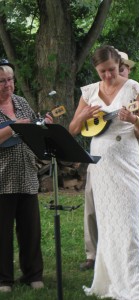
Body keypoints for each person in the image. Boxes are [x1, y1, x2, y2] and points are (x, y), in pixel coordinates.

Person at [69, 45, 139, 300]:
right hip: (100, 164)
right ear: (96, 69)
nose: (108, 75)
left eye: (112, 70)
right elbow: (72, 129)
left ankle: (135, 286)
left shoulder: (133, 87)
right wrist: (83, 114)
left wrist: (134, 120)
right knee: (106, 226)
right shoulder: (89, 92)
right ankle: (109, 282)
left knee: (127, 227)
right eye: (102, 71)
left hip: (126, 162)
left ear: (119, 65)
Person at [0, 59, 53, 292]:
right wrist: (13, 127)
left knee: (31, 230)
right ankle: (4, 279)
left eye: (10, 80)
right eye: (2, 81)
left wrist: (44, 126)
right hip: (2, 179)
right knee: (2, 232)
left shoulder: (21, 102)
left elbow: (33, 131)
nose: (7, 85)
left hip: (26, 175)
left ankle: (33, 274)